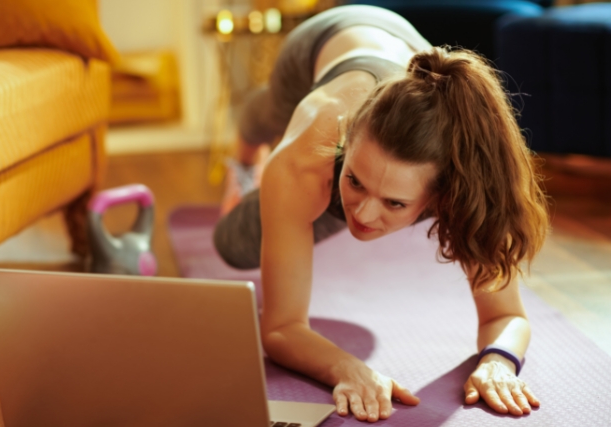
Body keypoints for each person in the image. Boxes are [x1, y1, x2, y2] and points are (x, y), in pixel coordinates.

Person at [213, 5, 549, 423]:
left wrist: (498, 361)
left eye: (395, 203)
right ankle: (246, 158)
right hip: (316, 49)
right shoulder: (307, 158)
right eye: (355, 181)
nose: (364, 215)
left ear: (441, 196)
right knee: (233, 240)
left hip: (398, 56)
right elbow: (280, 327)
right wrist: (347, 367)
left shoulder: (465, 181)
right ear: (346, 144)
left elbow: (506, 314)